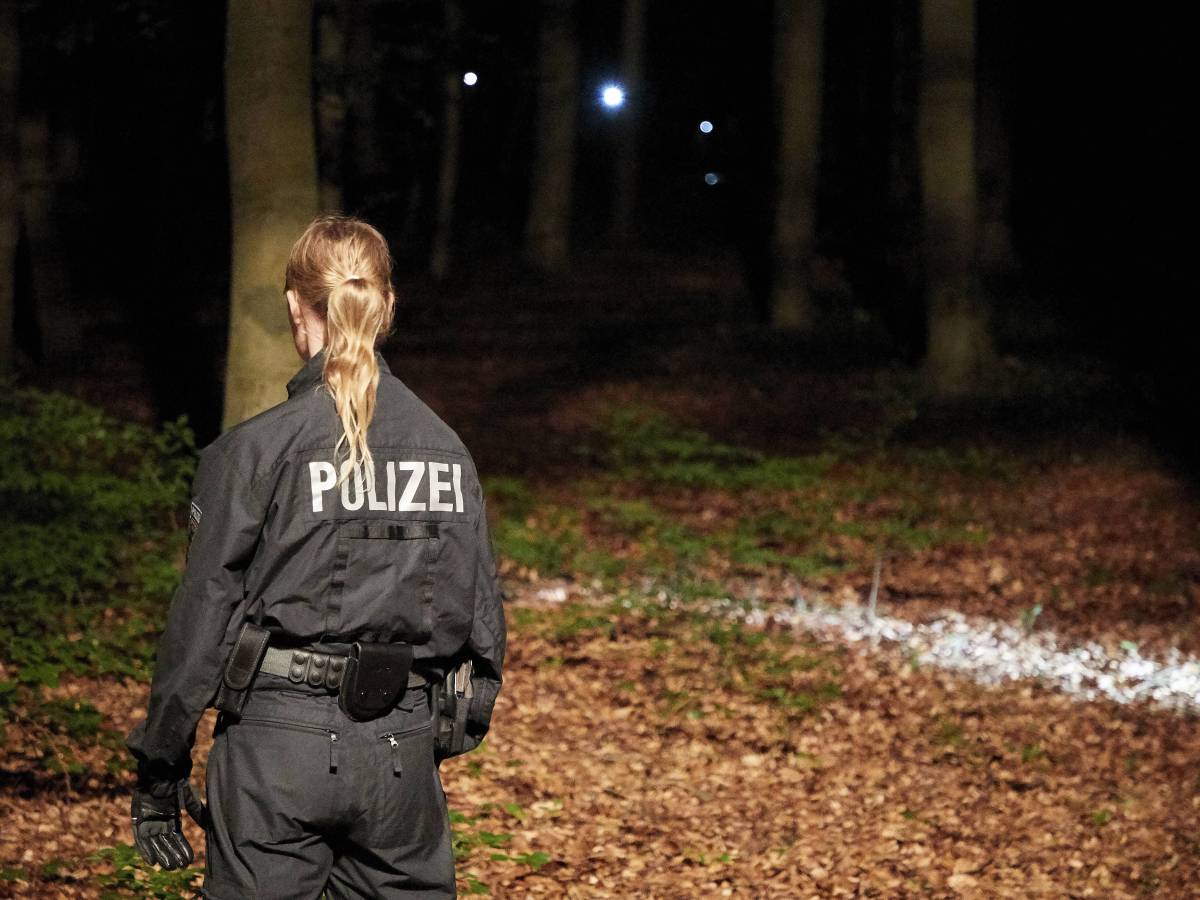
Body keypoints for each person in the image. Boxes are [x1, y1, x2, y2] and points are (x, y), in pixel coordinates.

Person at [125, 214, 506, 898]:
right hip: (400, 752)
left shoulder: (254, 451)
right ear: (387, 306)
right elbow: (480, 624)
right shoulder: (448, 450)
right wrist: (432, 735)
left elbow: (203, 617)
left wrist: (160, 766)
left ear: (295, 306)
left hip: (275, 750)